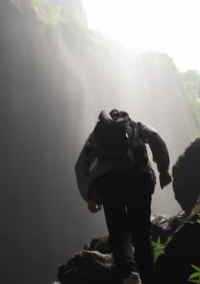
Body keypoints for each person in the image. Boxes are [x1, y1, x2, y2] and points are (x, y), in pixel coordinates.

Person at [75, 109, 172, 284]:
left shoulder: (98, 132)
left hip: (109, 182)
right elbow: (155, 138)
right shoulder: (137, 125)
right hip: (138, 178)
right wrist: (163, 168)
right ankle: (149, 278)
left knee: (118, 231)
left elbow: (81, 164)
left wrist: (89, 196)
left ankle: (130, 274)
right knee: (141, 234)